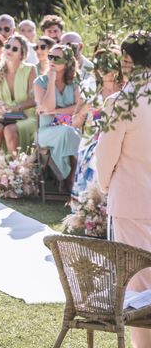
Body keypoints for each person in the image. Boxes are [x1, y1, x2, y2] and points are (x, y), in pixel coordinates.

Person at [96, 31, 151, 348]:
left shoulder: (119, 102)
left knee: (137, 290)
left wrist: (106, 187)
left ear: (127, 61)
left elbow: (105, 157)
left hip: (131, 204)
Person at [71, 46, 123, 202]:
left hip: (119, 138)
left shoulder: (125, 89)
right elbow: (74, 122)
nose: (102, 69)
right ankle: (92, 205)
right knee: (94, 154)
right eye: (99, 64)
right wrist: (84, 111)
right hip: (91, 141)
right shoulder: (90, 89)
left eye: (107, 64)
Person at [34, 44, 82, 190]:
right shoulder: (40, 82)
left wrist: (55, 112)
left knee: (70, 132)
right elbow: (46, 108)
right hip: (45, 131)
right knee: (68, 132)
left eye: (57, 58)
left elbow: (79, 108)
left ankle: (69, 175)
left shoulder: (74, 81)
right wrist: (51, 81)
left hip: (70, 126)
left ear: (67, 62)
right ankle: (70, 176)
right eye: (50, 56)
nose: (52, 60)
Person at [0, 34, 37, 166]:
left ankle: (17, 169)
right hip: (6, 114)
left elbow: (34, 100)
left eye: (14, 49)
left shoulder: (30, 70)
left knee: (9, 130)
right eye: (8, 46)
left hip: (26, 115)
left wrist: (16, 108)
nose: (9, 50)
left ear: (22, 54)